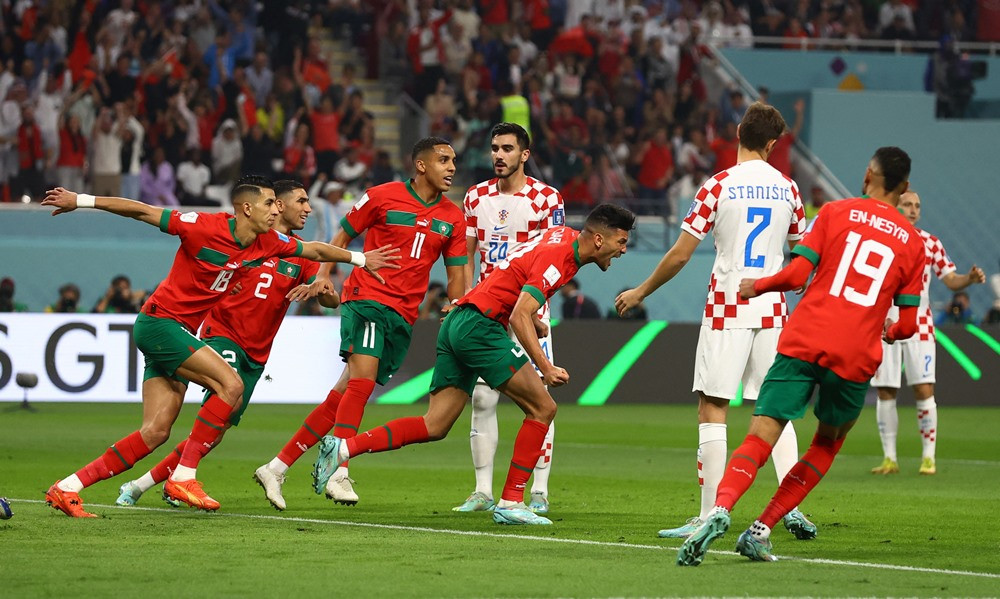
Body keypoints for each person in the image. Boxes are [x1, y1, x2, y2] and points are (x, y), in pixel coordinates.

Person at [40, 177, 398, 517]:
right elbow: (142, 210)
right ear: (246, 208)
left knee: (155, 432)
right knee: (230, 385)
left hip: (182, 333)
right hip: (161, 324)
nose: (275, 210)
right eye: (269, 204)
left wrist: (361, 259)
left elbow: (315, 250)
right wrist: (80, 200)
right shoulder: (202, 226)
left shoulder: (269, 243)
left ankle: (68, 487)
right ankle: (183, 477)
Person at [676, 146, 925, 566]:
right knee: (826, 443)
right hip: (856, 353)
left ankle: (720, 508)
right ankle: (762, 527)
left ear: (868, 175)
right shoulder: (913, 243)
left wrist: (757, 286)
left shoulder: (834, 213)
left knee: (760, 433)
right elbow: (908, 325)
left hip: (805, 337)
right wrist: (887, 330)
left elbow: (796, 274)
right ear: (904, 188)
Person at [311, 204, 634, 526]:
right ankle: (511, 501)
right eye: (621, 242)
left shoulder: (559, 236)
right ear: (598, 239)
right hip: (480, 327)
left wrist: (530, 317)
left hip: (460, 320)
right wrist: (545, 366)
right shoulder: (561, 257)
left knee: (435, 424)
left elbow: (515, 273)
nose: (623, 250)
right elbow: (519, 314)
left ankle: (342, 449)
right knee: (543, 408)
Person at [615, 102, 814, 541]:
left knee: (713, 406)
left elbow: (680, 254)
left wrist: (641, 291)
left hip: (728, 306)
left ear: (739, 132)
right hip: (773, 311)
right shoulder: (789, 189)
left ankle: (708, 514)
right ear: (772, 144)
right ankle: (790, 507)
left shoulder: (718, 185)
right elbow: (803, 256)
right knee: (774, 408)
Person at [253, 137, 467, 510]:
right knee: (363, 382)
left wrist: (458, 305)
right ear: (421, 165)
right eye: (443, 160)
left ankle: (276, 467)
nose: (451, 168)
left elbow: (456, 273)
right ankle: (339, 471)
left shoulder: (453, 217)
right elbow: (342, 236)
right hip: (367, 299)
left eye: (453, 161)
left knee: (343, 395)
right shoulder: (381, 196)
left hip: (403, 315)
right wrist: (323, 274)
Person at [115, 180, 339, 507]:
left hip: (257, 354)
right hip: (223, 335)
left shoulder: (297, 253)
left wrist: (324, 289)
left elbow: (331, 299)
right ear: (279, 204)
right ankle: (179, 479)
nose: (307, 208)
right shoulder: (248, 239)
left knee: (216, 431)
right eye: (301, 201)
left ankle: (144, 483)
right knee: (224, 401)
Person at [455, 122, 565, 514]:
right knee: (482, 397)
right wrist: (463, 299)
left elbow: (556, 257)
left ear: (524, 154)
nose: (499, 155)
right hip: (489, 313)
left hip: (529, 312)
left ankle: (539, 490)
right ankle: (482, 491)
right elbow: (466, 255)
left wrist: (536, 308)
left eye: (507, 149)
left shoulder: (547, 198)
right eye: (495, 148)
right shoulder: (475, 196)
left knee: (539, 398)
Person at [870, 191, 985, 476]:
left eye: (917, 206)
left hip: (919, 324)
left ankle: (928, 458)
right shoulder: (879, 238)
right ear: (895, 206)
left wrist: (969, 279)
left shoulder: (930, 242)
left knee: (924, 389)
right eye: (907, 204)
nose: (913, 210)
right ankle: (889, 458)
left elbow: (950, 279)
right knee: (886, 390)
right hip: (884, 324)